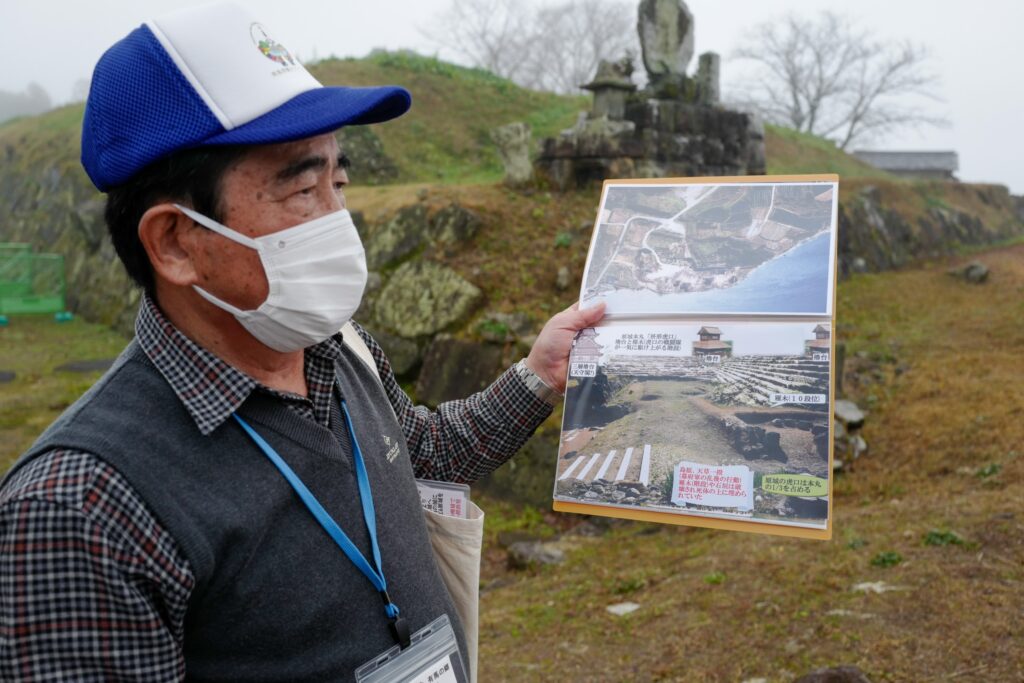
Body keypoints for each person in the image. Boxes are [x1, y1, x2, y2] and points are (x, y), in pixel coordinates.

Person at [0, 2, 604, 680]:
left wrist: (537, 375)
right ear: (174, 242)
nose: (339, 223)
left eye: (338, 182)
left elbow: (421, 452)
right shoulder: (80, 509)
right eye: (302, 190)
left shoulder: (339, 349)